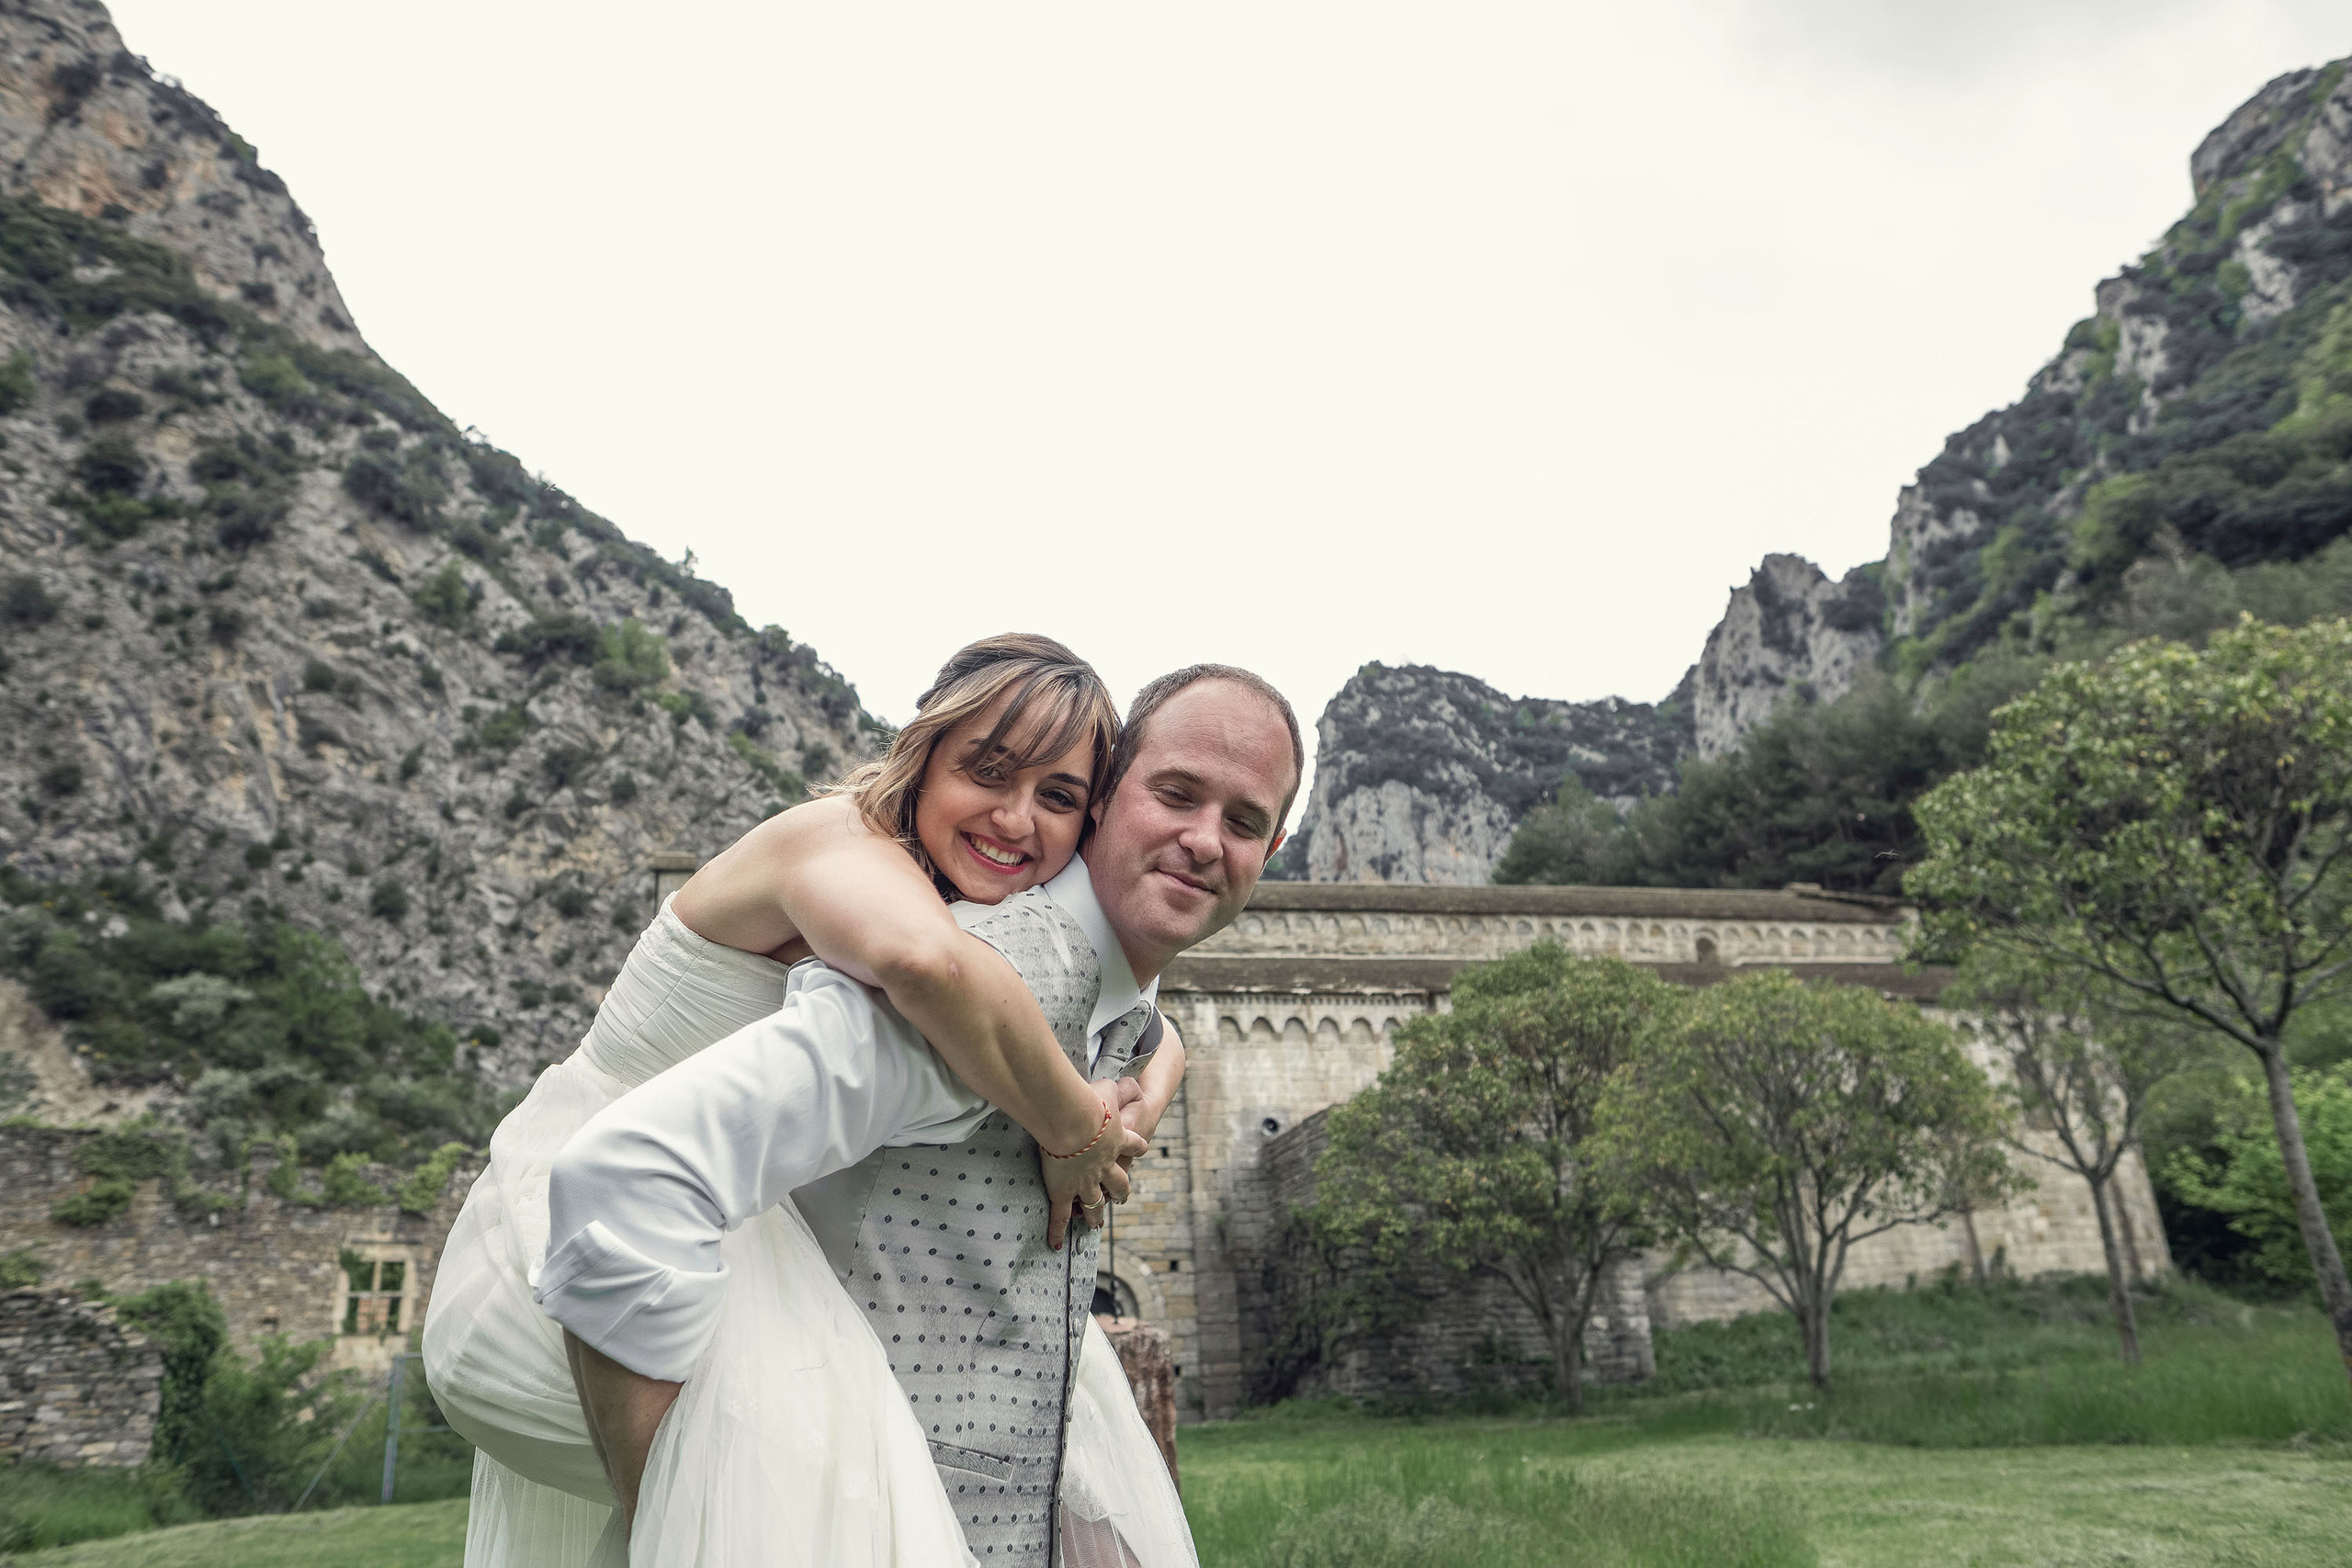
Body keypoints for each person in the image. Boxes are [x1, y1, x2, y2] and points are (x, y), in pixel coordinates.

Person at [424, 637, 1192, 1565]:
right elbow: (926, 966)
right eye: (987, 771)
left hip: (726, 1208)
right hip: (595, 1215)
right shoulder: (840, 841)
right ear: (923, 757)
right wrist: (1075, 1124)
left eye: (1058, 797)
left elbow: (1100, 993)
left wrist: (1162, 1057)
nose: (1017, 816)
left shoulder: (957, 892)